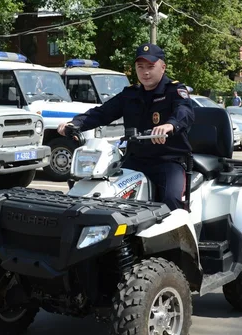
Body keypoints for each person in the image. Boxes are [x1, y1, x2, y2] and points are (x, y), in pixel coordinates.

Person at [57, 43, 195, 210]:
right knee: (109, 196)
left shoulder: (174, 91)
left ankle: (176, 237)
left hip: (168, 160)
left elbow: (185, 111)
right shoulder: (130, 94)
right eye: (140, 66)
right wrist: (75, 123)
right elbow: (102, 113)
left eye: (151, 66)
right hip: (135, 159)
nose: (145, 72)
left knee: (171, 202)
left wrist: (170, 125)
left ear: (163, 67)